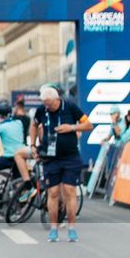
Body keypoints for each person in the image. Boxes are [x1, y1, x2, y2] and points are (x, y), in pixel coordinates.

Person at [33, 83, 90, 242]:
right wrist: (33, 145)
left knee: (70, 191)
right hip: (50, 158)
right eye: (44, 103)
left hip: (70, 157)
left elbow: (88, 125)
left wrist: (71, 127)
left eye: (49, 104)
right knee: (53, 193)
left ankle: (71, 228)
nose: (47, 106)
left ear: (56, 99)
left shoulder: (70, 107)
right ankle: (53, 229)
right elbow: (34, 124)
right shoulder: (41, 110)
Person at [0, 99, 31, 187]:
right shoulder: (19, 123)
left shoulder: (0, 126)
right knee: (18, 181)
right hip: (21, 156)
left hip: (8, 157)